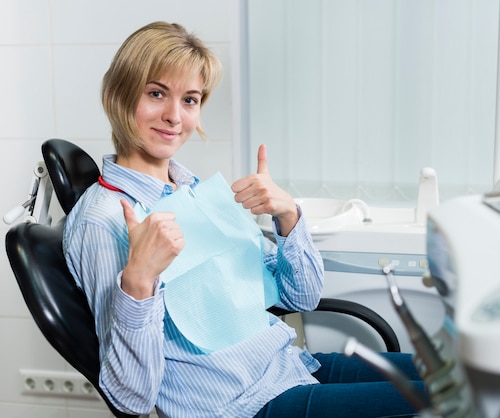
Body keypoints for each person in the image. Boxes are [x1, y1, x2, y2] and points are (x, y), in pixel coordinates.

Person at [63, 21, 426, 417]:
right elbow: (129, 399)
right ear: (119, 94)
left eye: (190, 99)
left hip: (293, 367)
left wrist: (288, 215)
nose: (173, 116)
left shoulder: (193, 191)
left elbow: (298, 297)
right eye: (156, 93)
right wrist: (138, 281)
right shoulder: (101, 221)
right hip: (245, 405)